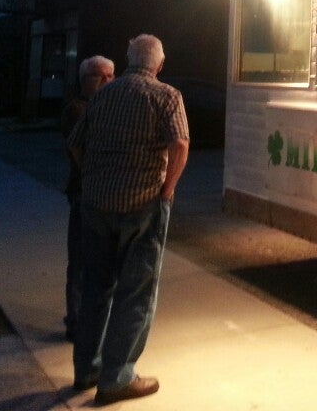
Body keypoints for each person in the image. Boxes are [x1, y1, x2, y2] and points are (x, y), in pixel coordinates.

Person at [67, 34, 189, 405]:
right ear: (159, 65)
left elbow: (75, 142)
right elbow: (180, 143)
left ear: (128, 59)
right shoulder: (166, 96)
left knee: (95, 288)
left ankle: (87, 368)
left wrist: (91, 177)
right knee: (136, 293)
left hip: (96, 206)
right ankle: (117, 377)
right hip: (143, 207)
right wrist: (167, 190)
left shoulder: (103, 94)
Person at [59, 54, 115, 341]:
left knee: (101, 262)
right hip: (84, 193)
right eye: (100, 76)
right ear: (85, 80)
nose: (107, 81)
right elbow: (80, 149)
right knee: (80, 259)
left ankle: (90, 318)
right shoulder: (78, 110)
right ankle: (76, 321)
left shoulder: (107, 107)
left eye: (110, 76)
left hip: (105, 196)